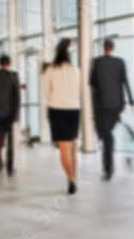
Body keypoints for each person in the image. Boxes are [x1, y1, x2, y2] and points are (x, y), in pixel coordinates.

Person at [90, 39, 134, 180]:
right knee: (108, 134)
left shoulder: (97, 62)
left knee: (107, 135)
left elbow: (91, 83)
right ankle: (108, 166)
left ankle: (108, 168)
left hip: (102, 105)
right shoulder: (120, 62)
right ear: (113, 48)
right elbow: (125, 82)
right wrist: (132, 102)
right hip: (117, 106)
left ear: (104, 48)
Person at [44, 39, 80, 194]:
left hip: (57, 109)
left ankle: (71, 180)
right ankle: (73, 177)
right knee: (73, 148)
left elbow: (46, 91)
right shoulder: (74, 69)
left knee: (64, 149)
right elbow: (79, 89)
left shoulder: (51, 69)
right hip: (74, 109)